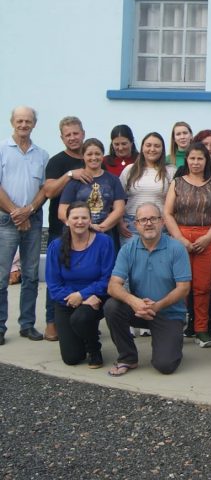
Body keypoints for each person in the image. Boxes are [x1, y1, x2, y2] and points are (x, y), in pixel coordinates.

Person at [104, 202, 191, 375]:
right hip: (139, 310)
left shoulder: (177, 248)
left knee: (165, 365)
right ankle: (127, 358)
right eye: (143, 220)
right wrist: (134, 302)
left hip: (168, 313)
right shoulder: (128, 249)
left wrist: (156, 306)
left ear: (162, 222)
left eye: (153, 218)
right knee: (112, 307)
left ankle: (169, 342)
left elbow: (184, 288)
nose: (148, 223)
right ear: (136, 224)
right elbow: (113, 286)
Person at [164, 143, 211, 348]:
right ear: (186, 160)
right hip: (179, 237)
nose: (196, 162)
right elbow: (167, 213)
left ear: (206, 160)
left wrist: (209, 237)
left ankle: (201, 329)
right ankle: (177, 326)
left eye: (200, 158)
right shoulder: (177, 183)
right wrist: (180, 239)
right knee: (180, 285)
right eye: (192, 158)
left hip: (207, 238)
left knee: (203, 287)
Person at [0, 106, 49, 344]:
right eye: (19, 121)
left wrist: (28, 211)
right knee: (1, 275)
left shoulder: (42, 154)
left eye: (28, 121)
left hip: (33, 220)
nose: (23, 125)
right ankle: (0, 327)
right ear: (12, 122)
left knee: (30, 275)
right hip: (5, 220)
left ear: (34, 124)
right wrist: (15, 212)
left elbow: (44, 190)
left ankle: (27, 325)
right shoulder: (1, 149)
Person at [45, 202, 114, 367]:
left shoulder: (104, 242)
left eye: (84, 217)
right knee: (72, 358)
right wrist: (79, 298)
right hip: (66, 300)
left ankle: (94, 348)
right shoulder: (56, 246)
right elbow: (53, 284)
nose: (80, 221)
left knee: (81, 318)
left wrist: (83, 295)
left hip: (96, 298)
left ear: (90, 220)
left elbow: (108, 278)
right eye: (75, 217)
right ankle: (81, 338)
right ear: (67, 221)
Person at [41, 116, 88, 341]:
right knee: (57, 278)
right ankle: (52, 322)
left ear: (83, 133)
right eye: (67, 134)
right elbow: (49, 191)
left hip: (88, 230)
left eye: (75, 133)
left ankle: (82, 322)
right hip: (60, 229)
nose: (72, 138)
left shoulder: (90, 157)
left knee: (85, 277)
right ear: (61, 138)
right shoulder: (57, 161)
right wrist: (70, 175)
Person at [58, 138, 127, 248]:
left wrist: (101, 227)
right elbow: (62, 212)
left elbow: (119, 209)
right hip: (78, 236)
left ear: (102, 155)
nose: (93, 157)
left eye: (97, 154)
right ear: (83, 156)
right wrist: (86, 226)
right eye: (89, 154)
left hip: (105, 235)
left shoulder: (113, 180)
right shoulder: (75, 181)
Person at [119, 132, 176, 244]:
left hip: (160, 224)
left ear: (162, 149)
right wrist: (120, 223)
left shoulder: (170, 171)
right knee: (133, 260)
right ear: (142, 147)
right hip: (132, 224)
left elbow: (175, 203)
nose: (152, 149)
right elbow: (117, 199)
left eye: (157, 146)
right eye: (148, 145)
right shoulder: (129, 170)